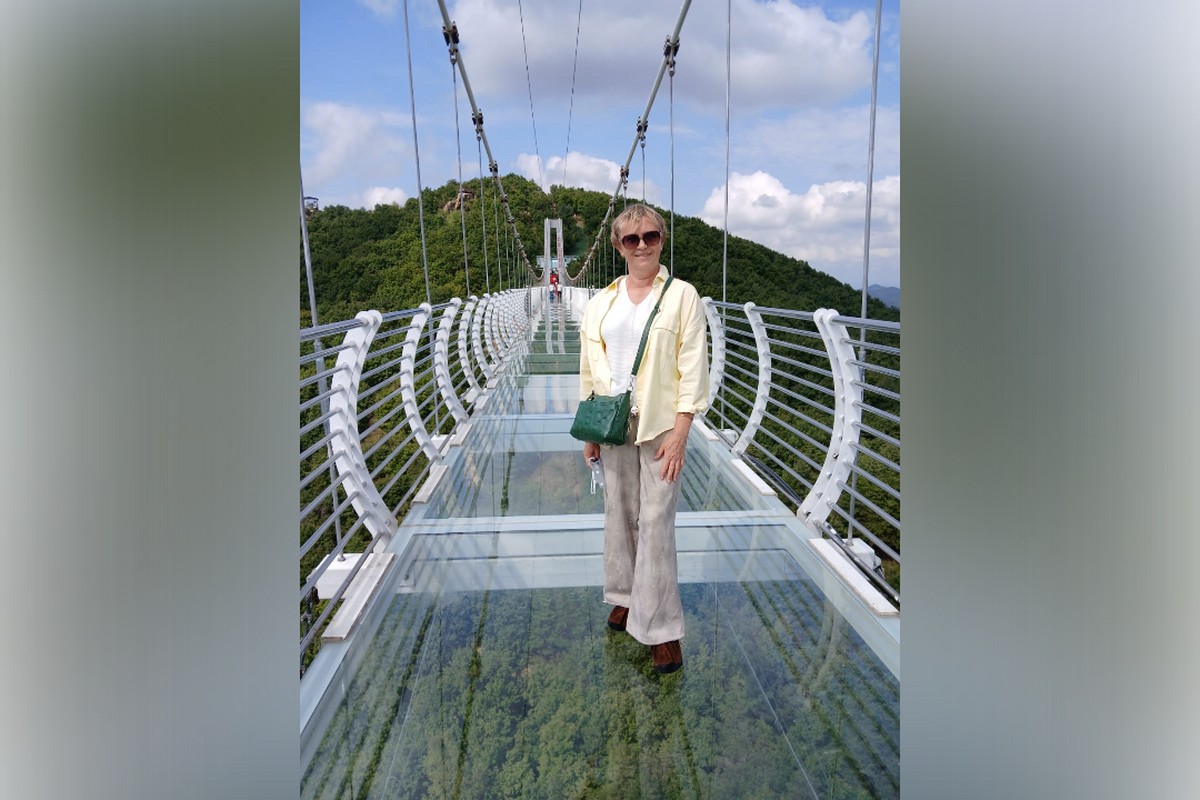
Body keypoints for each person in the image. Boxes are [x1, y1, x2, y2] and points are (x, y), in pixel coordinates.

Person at [578, 204, 709, 674]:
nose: (642, 246)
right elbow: (589, 367)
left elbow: (693, 364)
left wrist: (682, 430)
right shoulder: (601, 302)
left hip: (660, 425)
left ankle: (661, 629)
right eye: (631, 239)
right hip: (612, 422)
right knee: (618, 513)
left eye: (650, 236)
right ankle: (625, 596)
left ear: (662, 240)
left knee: (655, 522)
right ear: (618, 246)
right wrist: (589, 432)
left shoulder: (682, 296)